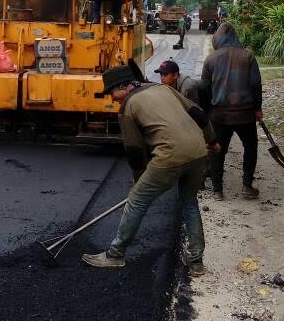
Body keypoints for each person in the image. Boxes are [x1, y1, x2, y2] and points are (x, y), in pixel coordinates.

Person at [82, 66, 219, 277]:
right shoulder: (163, 89)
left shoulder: (127, 107)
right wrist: (212, 140)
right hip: (199, 152)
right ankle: (196, 262)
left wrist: (139, 184)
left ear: (123, 88)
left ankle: (115, 254)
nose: (112, 98)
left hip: (170, 155)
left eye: (112, 92)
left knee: (136, 201)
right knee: (189, 203)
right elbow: (198, 113)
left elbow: (135, 152)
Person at [202, 22, 263, 200]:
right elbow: (256, 85)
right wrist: (258, 108)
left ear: (217, 39)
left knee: (217, 150)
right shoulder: (248, 56)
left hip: (219, 115)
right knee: (250, 147)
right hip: (245, 114)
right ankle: (246, 185)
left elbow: (204, 89)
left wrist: (207, 111)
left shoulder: (211, 59)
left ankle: (217, 190)